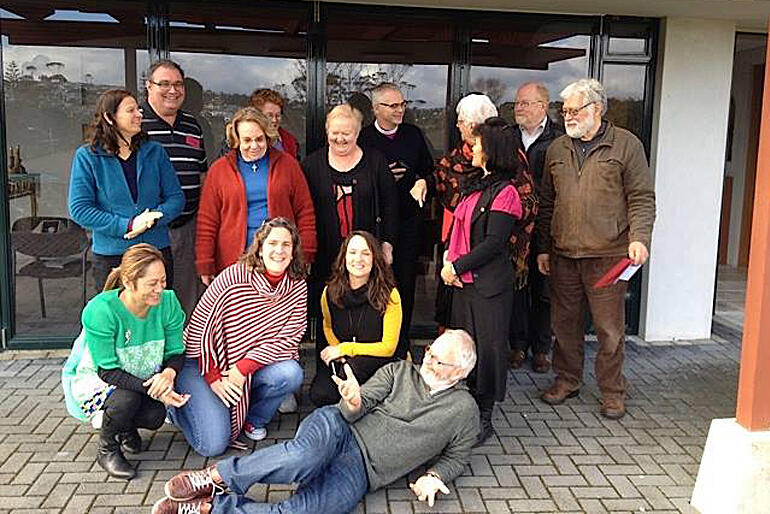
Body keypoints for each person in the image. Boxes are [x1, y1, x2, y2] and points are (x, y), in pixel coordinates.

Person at [150, 329, 479, 514]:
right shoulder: (400, 371)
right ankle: (215, 476)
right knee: (301, 458)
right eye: (430, 353)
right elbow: (355, 408)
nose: (429, 362)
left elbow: (457, 455)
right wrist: (353, 401)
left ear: (461, 371)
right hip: (339, 428)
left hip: (363, 472)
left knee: (306, 512)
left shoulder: (463, 410)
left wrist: (435, 476)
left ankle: (213, 510)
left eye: (440, 361)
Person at [536, 78, 656, 419]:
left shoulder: (626, 145)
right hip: (563, 256)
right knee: (564, 325)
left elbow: (642, 198)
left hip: (608, 256)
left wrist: (639, 238)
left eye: (575, 110)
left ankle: (613, 391)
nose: (568, 116)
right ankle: (567, 380)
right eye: (566, 110)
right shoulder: (557, 149)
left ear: (597, 109)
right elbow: (548, 202)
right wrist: (544, 247)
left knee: (609, 330)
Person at [170, 218, 307, 456]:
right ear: (260, 248)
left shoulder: (296, 286)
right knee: (213, 445)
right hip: (204, 362)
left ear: (294, 251)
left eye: (286, 244)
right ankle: (175, 408)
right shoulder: (234, 277)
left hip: (246, 366)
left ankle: (252, 418)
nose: (279, 250)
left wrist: (241, 369)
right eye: (273, 243)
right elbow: (199, 328)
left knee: (290, 373)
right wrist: (214, 377)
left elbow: (290, 338)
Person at [62, 243, 188, 480]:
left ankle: (125, 426)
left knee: (155, 416)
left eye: (163, 281)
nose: (160, 289)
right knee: (126, 400)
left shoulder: (168, 302)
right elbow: (107, 372)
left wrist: (168, 375)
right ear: (129, 283)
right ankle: (107, 448)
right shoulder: (101, 310)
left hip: (140, 378)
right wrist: (154, 389)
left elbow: (176, 352)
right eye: (152, 283)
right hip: (102, 382)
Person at [441, 117, 523, 445]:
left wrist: (456, 266)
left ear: (491, 150)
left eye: (478, 144)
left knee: (488, 351)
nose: (473, 148)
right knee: (466, 347)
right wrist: (450, 262)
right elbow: (458, 228)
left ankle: (483, 418)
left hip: (488, 286)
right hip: (466, 283)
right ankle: (463, 411)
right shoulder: (478, 184)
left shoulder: (507, 193)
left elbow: (493, 244)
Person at [302, 104, 398, 372]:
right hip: (326, 256)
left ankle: (368, 370)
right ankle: (328, 368)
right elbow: (303, 210)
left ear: (357, 133)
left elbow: (391, 205)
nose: (340, 139)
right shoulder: (311, 164)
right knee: (329, 311)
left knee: (368, 312)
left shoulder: (376, 161)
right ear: (326, 131)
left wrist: (387, 244)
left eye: (347, 133)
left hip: (365, 258)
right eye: (335, 133)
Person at [68, 89, 184, 292]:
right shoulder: (88, 157)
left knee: (157, 316)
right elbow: (80, 209)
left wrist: (152, 218)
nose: (139, 114)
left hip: (155, 252)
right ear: (109, 117)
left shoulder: (155, 152)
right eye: (131, 110)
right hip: (112, 256)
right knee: (116, 318)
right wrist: (128, 225)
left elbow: (176, 198)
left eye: (138, 109)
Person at [196, 107, 316, 285]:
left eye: (259, 139)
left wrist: (306, 253)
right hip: (234, 261)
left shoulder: (288, 165)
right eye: (247, 140)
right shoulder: (219, 170)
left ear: (268, 136)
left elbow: (304, 212)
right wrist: (205, 263)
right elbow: (208, 220)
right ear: (236, 140)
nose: (254, 146)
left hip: (279, 258)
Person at [358, 82, 434, 360]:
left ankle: (401, 345)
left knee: (404, 286)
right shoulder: (364, 138)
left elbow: (429, 171)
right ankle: (372, 345)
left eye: (402, 104)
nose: (400, 110)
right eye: (392, 105)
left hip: (408, 224)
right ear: (376, 109)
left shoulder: (413, 135)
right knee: (371, 285)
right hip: (373, 225)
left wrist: (422, 181)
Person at [142, 59, 208, 319]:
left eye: (178, 84)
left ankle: (184, 352)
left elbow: (201, 174)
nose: (173, 90)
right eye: (164, 84)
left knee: (187, 295)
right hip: (152, 230)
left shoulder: (192, 125)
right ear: (149, 87)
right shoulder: (137, 124)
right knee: (151, 293)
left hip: (188, 225)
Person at [309, 230, 402, 406]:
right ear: (344, 257)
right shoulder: (330, 292)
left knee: (350, 374)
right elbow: (327, 326)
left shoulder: (389, 294)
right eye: (352, 252)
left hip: (378, 359)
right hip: (343, 360)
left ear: (375, 258)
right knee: (320, 394)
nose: (358, 259)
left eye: (366, 253)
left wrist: (345, 349)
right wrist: (339, 352)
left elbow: (388, 348)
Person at [510, 82, 565, 373]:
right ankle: (518, 346)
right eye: (517, 103)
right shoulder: (509, 137)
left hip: (547, 225)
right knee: (518, 286)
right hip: (515, 228)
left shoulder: (559, 140)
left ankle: (542, 348)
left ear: (543, 107)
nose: (519, 107)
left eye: (525, 103)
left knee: (543, 289)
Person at [433, 93, 498, 331]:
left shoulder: (502, 159)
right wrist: (424, 183)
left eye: (460, 121)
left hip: (484, 242)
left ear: (472, 125)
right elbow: (438, 178)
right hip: (454, 239)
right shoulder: (455, 157)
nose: (457, 126)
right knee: (450, 298)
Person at [249, 88, 300, 159]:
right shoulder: (244, 142)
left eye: (278, 115)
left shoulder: (291, 142)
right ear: (257, 116)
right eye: (269, 115)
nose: (274, 120)